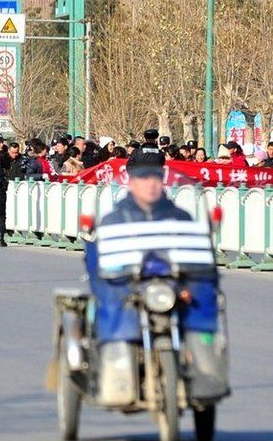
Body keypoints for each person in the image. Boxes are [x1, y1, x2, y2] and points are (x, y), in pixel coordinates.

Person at [85, 147, 219, 346]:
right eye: (143, 177)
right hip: (129, 290)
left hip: (172, 288)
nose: (151, 184)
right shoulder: (114, 220)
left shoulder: (180, 217)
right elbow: (99, 269)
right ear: (130, 181)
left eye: (156, 177)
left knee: (205, 344)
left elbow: (199, 262)